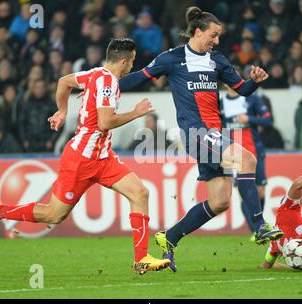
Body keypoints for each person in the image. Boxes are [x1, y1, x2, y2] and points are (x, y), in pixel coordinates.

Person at [0, 38, 170, 275]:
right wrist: (136, 113)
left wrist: (62, 110)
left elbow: (64, 82)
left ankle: (141, 258)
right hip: (81, 160)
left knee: (140, 192)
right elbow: (105, 121)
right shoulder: (108, 82)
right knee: (54, 214)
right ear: (123, 61)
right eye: (131, 62)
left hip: (102, 156)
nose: (132, 66)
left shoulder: (95, 74)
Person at [119, 6, 283, 272]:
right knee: (247, 158)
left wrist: (255, 80)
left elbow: (241, 89)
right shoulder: (171, 58)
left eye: (218, 36)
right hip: (197, 134)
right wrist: (104, 86)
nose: (216, 41)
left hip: (213, 135)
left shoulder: (217, 60)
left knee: (220, 201)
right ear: (198, 32)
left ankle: (170, 236)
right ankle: (260, 225)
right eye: (213, 35)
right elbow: (139, 77)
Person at [220, 84, 272, 239]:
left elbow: (268, 120)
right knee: (244, 193)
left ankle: (259, 223)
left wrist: (249, 118)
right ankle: (256, 230)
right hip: (234, 154)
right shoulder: (221, 103)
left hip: (254, 151)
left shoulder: (251, 99)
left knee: (260, 191)